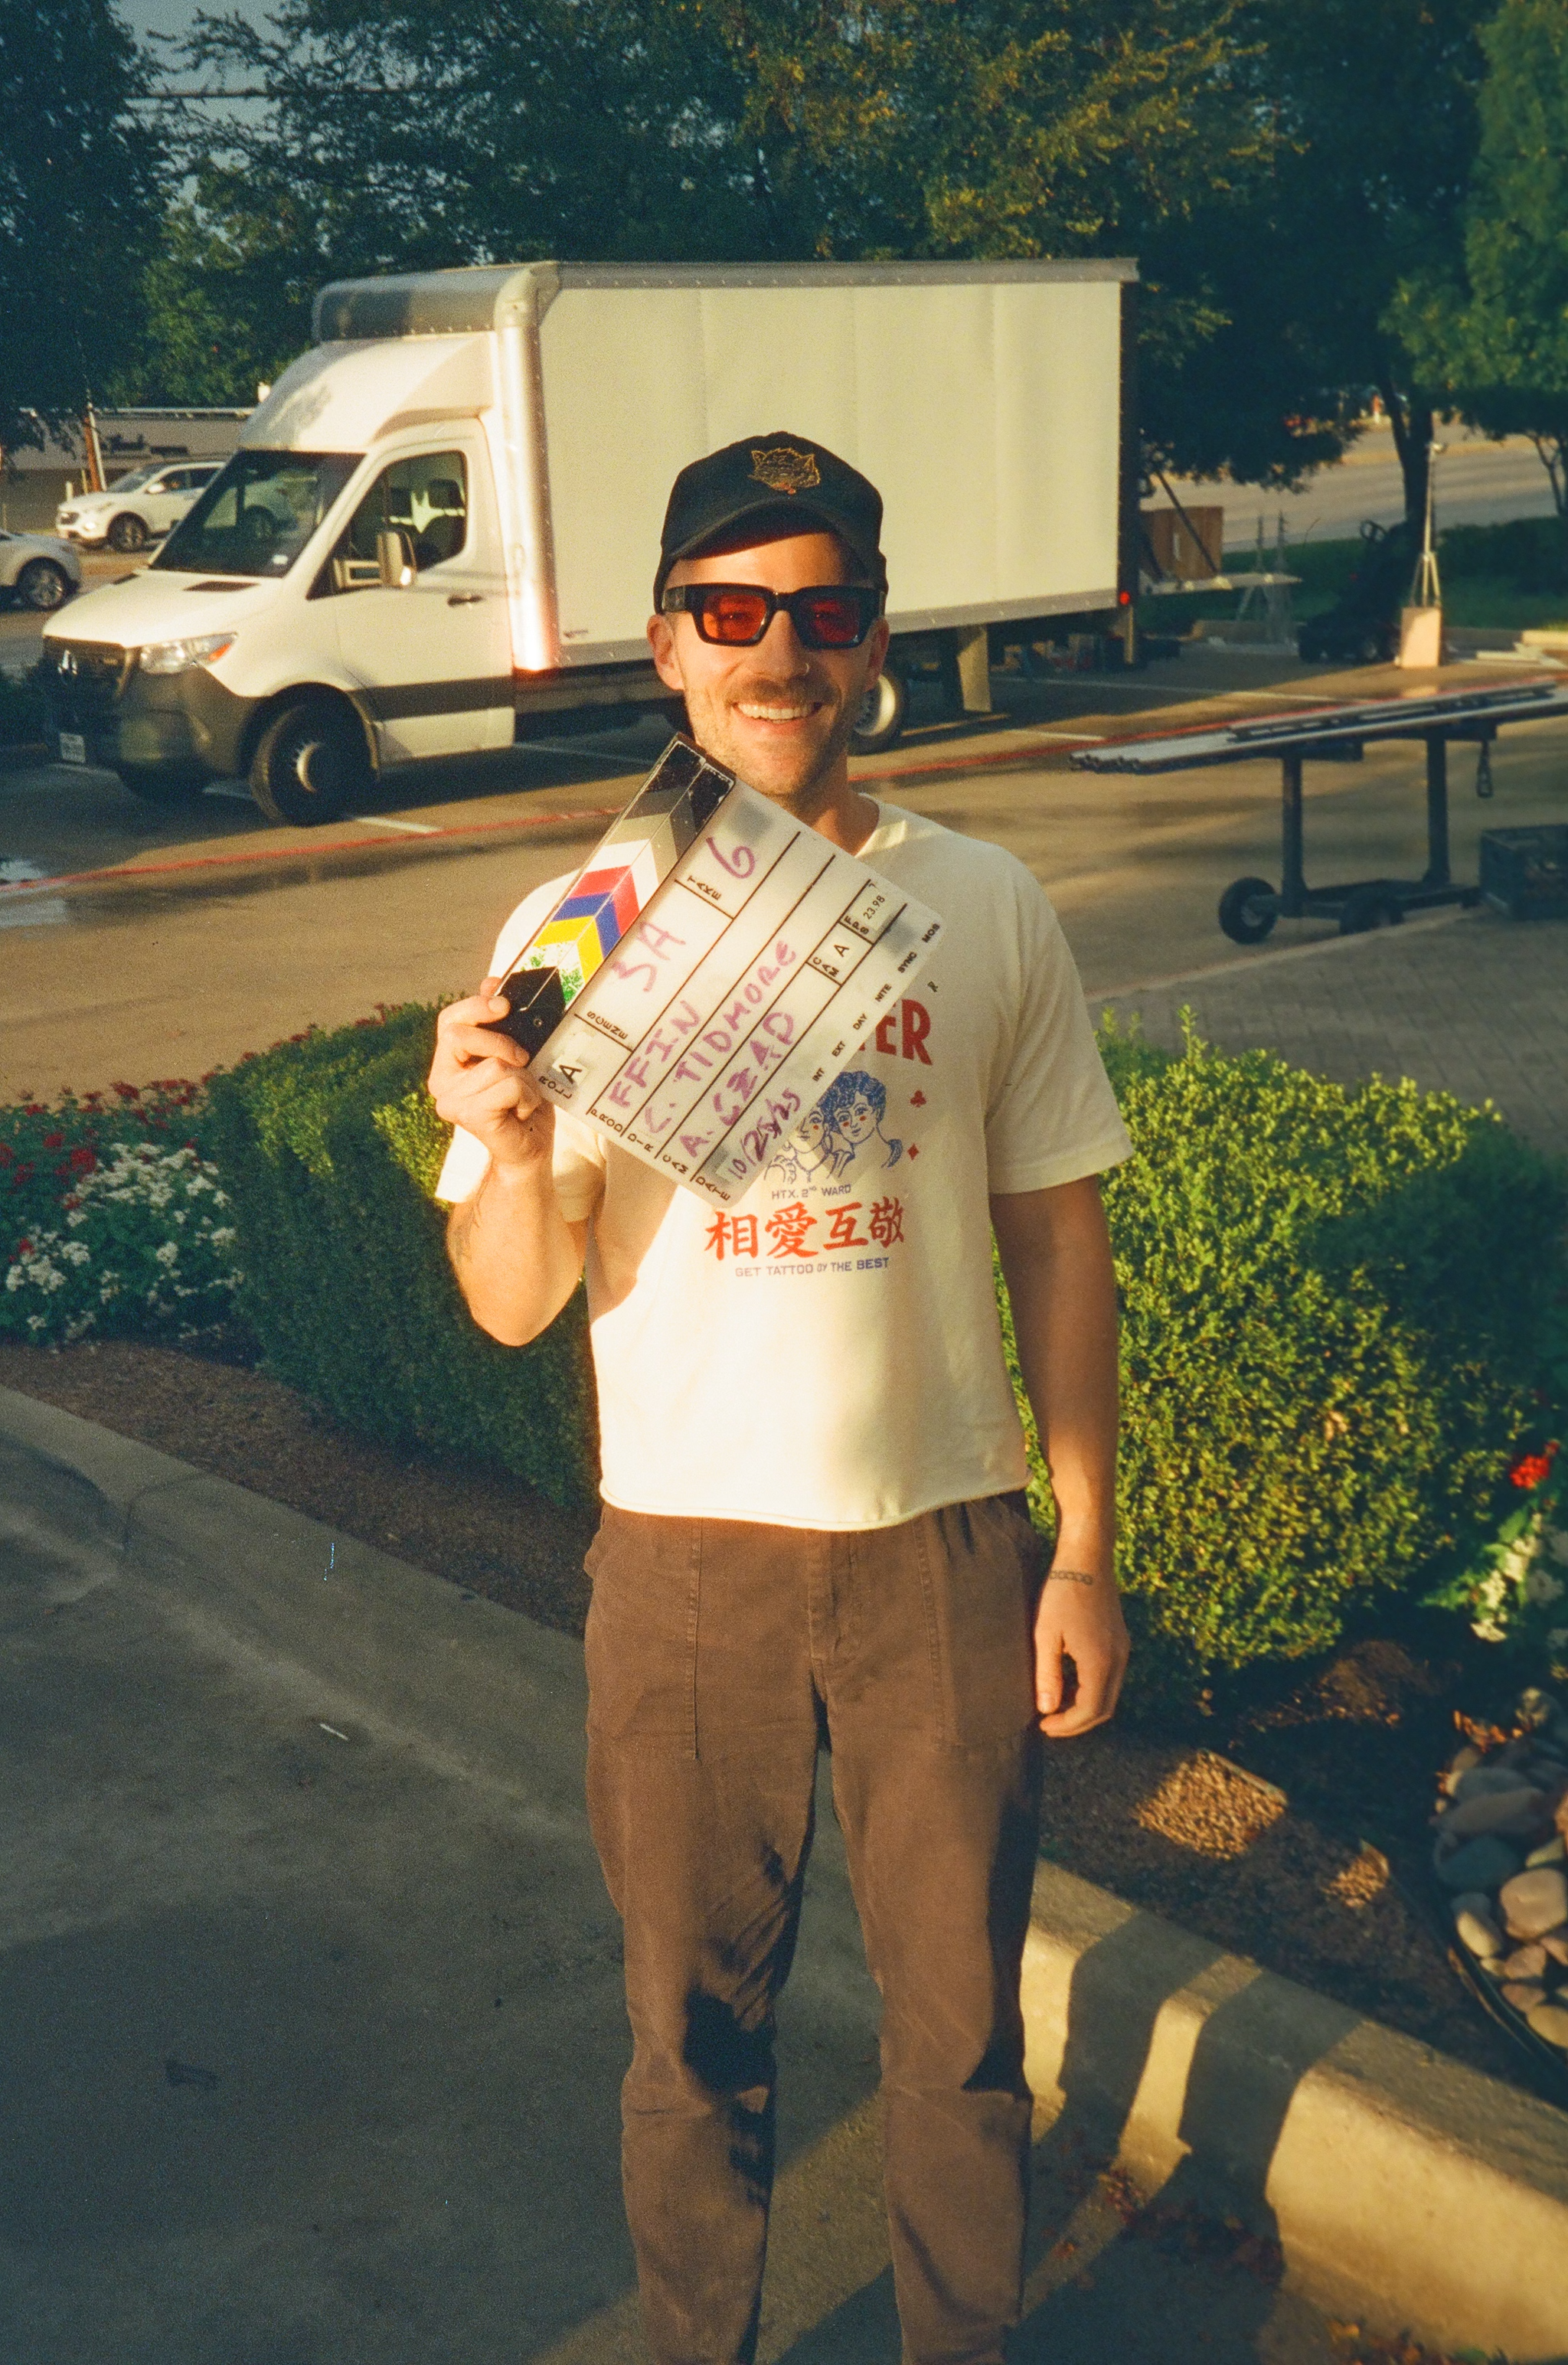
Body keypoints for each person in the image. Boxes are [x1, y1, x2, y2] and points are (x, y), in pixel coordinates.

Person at [426, 431, 1132, 2365]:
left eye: (820, 612)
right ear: (665, 647)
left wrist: (1079, 1552)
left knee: (963, 2039)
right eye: (733, 613)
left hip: (942, 1546)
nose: (780, 652)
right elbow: (510, 1307)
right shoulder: (572, 934)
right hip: (685, 1565)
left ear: (875, 637)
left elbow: (1059, 1241)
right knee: (687, 2038)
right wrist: (500, 1143)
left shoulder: (985, 904)